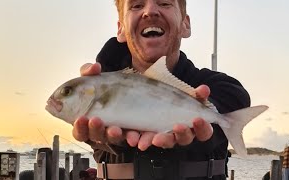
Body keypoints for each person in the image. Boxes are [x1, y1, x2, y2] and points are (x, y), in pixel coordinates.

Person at [72, 0, 250, 179]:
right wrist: (105, 135)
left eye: (164, 3)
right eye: (136, 5)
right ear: (121, 29)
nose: (150, 11)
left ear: (185, 25)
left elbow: (233, 100)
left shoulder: (221, 87)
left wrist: (199, 119)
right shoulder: (97, 88)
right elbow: (102, 133)